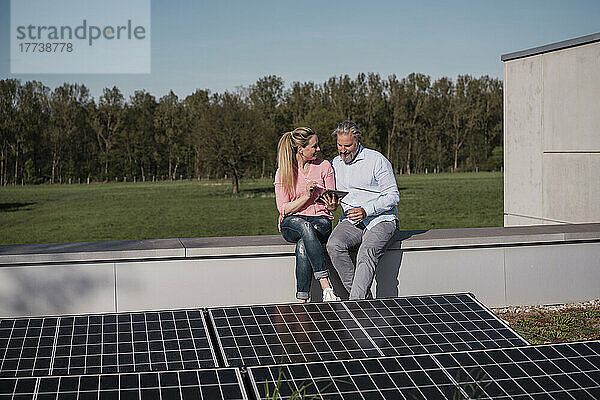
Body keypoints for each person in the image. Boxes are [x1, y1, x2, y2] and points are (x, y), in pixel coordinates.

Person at [326, 121, 400, 300]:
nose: (343, 150)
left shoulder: (376, 160)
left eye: (348, 146)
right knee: (333, 245)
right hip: (351, 221)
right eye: (339, 145)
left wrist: (366, 210)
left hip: (381, 220)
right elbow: (333, 196)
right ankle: (362, 299)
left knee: (366, 252)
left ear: (358, 141)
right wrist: (333, 205)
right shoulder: (334, 163)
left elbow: (393, 196)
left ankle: (355, 304)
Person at [274, 127, 340, 302]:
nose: (318, 149)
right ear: (300, 149)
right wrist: (306, 196)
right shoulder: (284, 172)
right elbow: (283, 209)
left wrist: (333, 204)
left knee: (304, 242)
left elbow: (332, 205)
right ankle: (326, 287)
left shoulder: (325, 166)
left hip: (321, 221)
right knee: (304, 227)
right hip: (293, 223)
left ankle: (302, 300)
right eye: (314, 146)